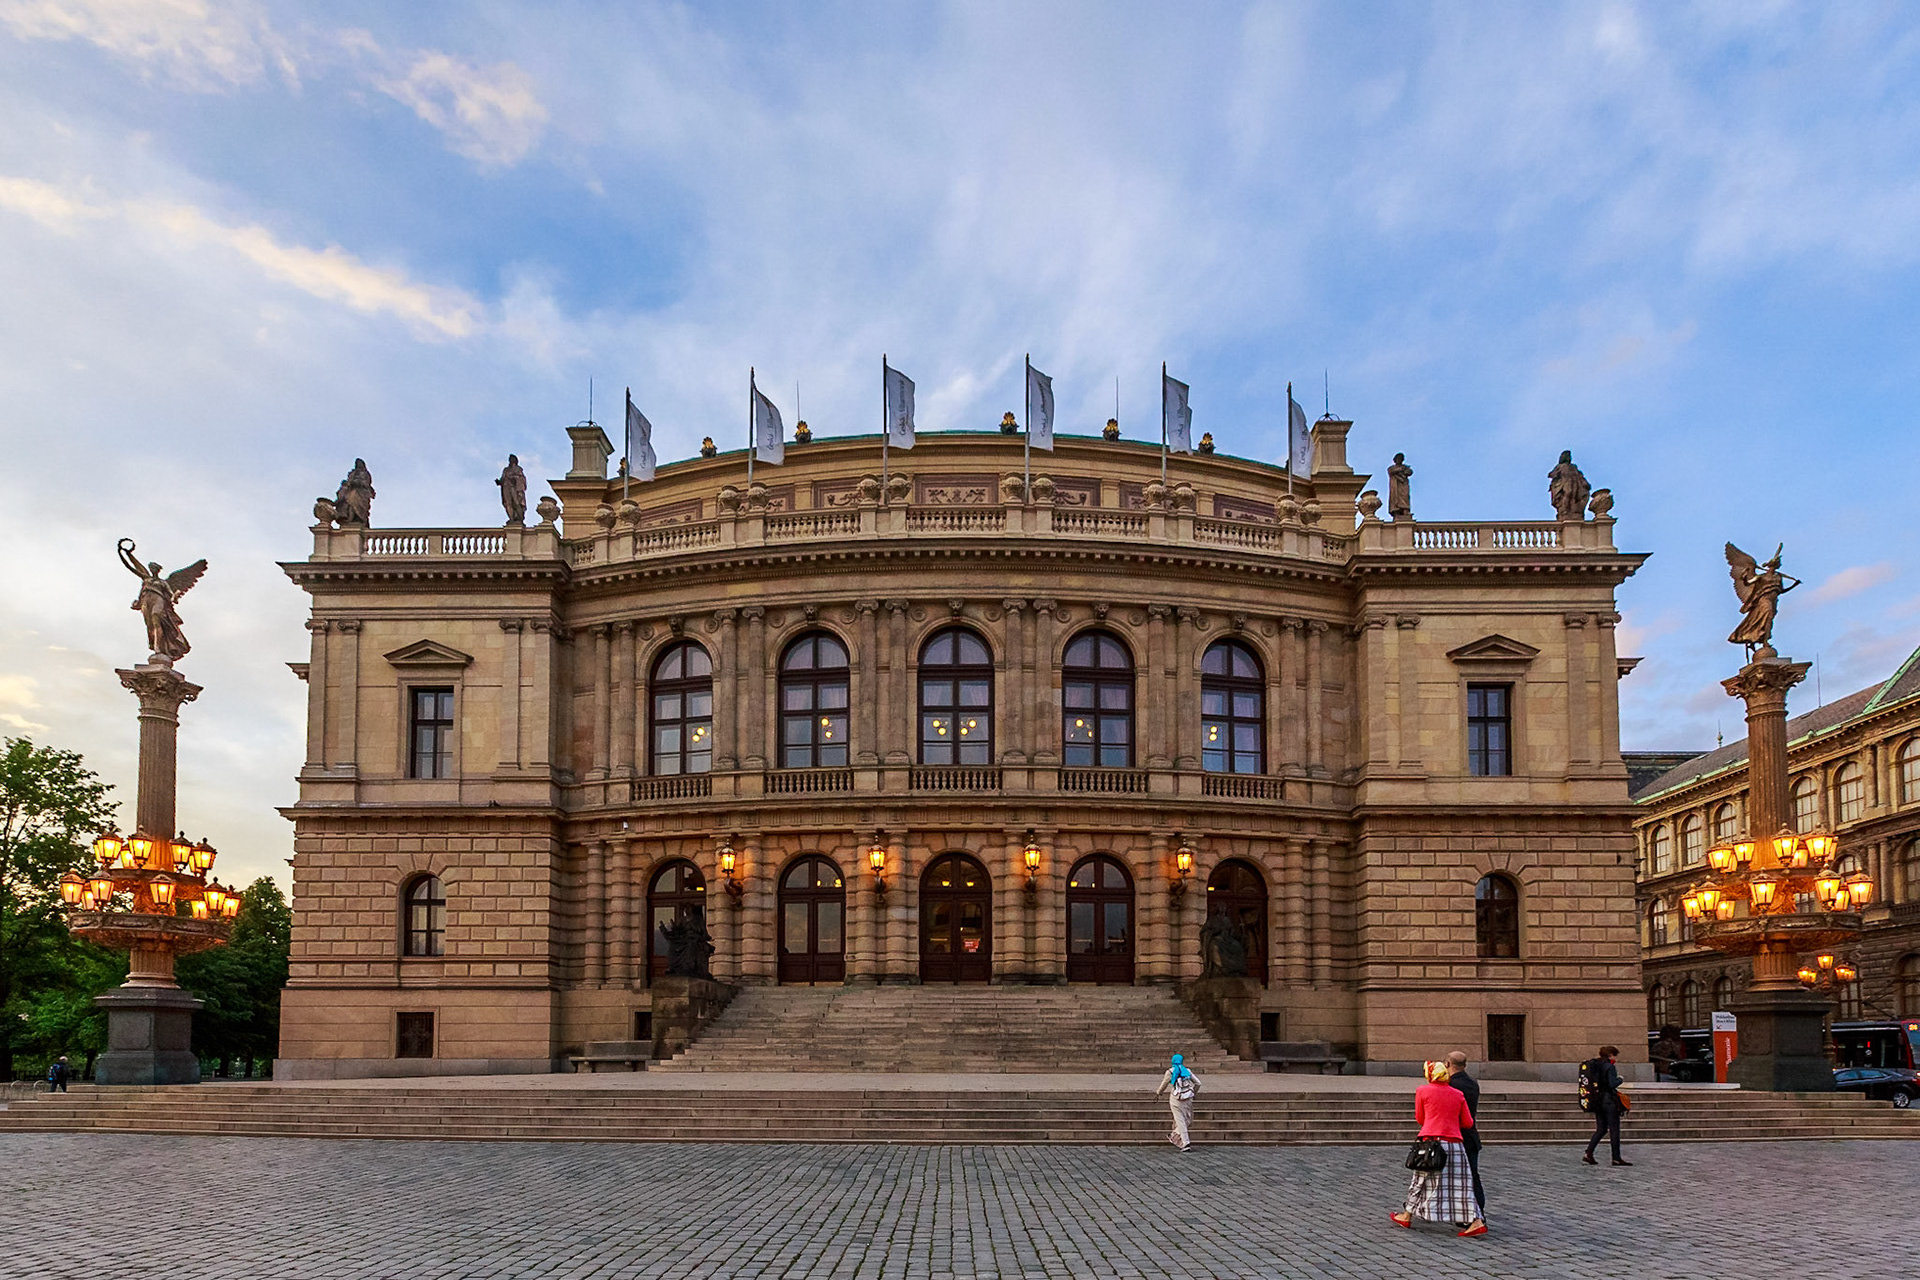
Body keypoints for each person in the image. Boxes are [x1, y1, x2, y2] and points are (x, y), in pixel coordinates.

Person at [1392, 1060, 1486, 1238]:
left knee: (1420, 1180)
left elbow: (1420, 1118)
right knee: (1462, 1184)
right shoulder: (1458, 1094)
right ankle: (1476, 1221)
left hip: (1431, 1142)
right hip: (1455, 1143)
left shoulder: (1423, 1091)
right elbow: (1468, 1122)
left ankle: (1406, 1215)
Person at [1445, 1050, 1484, 1217]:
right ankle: (1478, 1209)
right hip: (1471, 1137)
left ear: (1447, 1064)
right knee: (1473, 1175)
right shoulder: (1473, 1083)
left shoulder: (1450, 1086)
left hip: (1453, 1137)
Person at [1582, 1045, 1632, 1166]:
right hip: (1609, 1101)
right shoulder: (1610, 1067)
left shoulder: (1595, 1065)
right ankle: (1616, 1157)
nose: (1616, 1058)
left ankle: (1588, 1153)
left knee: (1601, 1129)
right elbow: (1611, 1084)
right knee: (1614, 1129)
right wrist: (1620, 1079)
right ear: (1610, 1055)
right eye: (1615, 1056)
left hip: (1597, 1101)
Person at [1154, 1052, 1201, 1151]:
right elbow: (1198, 1083)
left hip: (1176, 1099)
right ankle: (1182, 1140)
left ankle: (1181, 1139)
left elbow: (1164, 1084)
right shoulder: (1187, 1071)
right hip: (1188, 1097)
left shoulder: (1170, 1072)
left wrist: (1158, 1093)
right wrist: (1193, 1092)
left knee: (1180, 1120)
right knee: (1187, 1120)